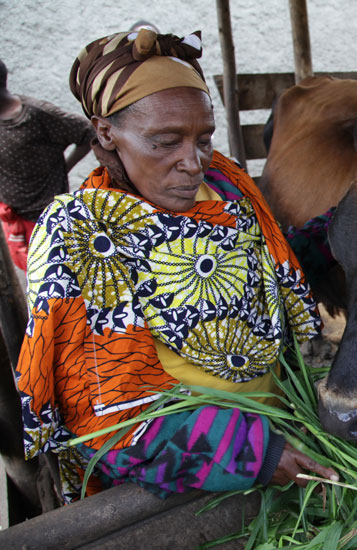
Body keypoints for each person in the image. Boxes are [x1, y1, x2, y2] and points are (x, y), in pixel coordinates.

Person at [13, 28, 337, 504]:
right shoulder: (83, 235)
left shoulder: (227, 186)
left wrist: (344, 227)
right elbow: (107, 412)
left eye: (203, 137)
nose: (192, 162)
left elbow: (273, 271)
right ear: (106, 133)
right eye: (164, 142)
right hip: (182, 487)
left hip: (283, 442)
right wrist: (257, 455)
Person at [0, 58, 95, 271]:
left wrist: (63, 168)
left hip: (47, 220)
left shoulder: (36, 115)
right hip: (14, 218)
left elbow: (88, 132)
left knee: (57, 280)